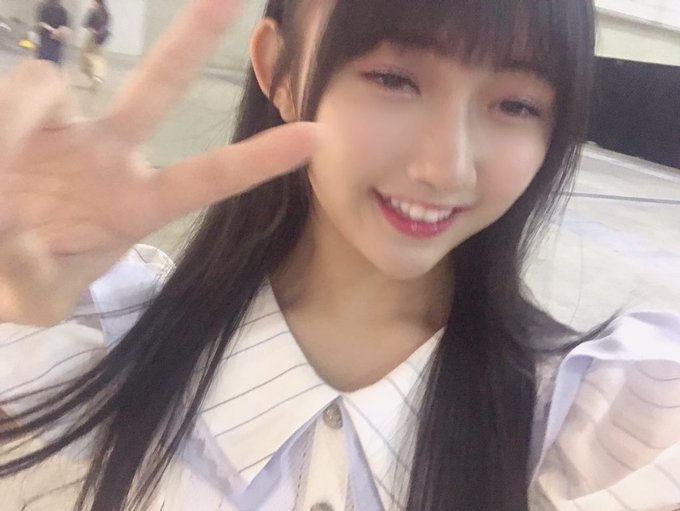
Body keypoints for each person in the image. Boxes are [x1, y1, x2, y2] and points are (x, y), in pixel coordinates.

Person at [0, 0, 679, 509]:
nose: (447, 168)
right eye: (393, 78)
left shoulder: (589, 415)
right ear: (280, 71)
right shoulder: (99, 336)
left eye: (517, 105)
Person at [80, 0, 110, 90]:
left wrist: (90, 12)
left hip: (92, 36)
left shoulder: (94, 10)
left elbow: (85, 23)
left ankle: (93, 76)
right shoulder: (105, 11)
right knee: (99, 57)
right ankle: (98, 77)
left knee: (86, 56)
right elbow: (107, 23)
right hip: (102, 38)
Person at [35, 0, 70, 65]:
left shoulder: (61, 10)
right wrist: (55, 31)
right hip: (49, 38)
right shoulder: (46, 8)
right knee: (47, 60)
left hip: (54, 39)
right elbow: (41, 23)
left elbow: (41, 22)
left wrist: (55, 31)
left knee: (50, 60)